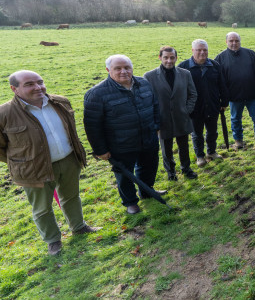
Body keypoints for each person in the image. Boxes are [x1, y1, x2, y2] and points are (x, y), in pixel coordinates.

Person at [1, 70, 99, 255]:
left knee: (71, 196)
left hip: (69, 160)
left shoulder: (60, 102)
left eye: (40, 82)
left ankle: (78, 227)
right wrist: (21, 162)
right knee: (42, 208)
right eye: (29, 84)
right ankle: (53, 241)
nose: (38, 87)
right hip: (33, 169)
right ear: (14, 89)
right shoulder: (4, 113)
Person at [84, 55, 162, 215]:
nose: (123, 71)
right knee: (125, 174)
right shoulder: (96, 94)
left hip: (148, 137)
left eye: (127, 67)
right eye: (118, 68)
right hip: (121, 144)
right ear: (108, 70)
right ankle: (130, 202)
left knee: (149, 167)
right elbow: (92, 126)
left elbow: (155, 106)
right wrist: (100, 150)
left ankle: (147, 191)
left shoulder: (144, 84)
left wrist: (157, 126)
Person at [145, 46, 198, 181]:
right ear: (160, 58)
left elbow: (193, 94)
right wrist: (155, 117)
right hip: (162, 120)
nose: (169, 61)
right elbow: (147, 100)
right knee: (166, 149)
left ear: (176, 58)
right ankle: (171, 172)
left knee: (184, 146)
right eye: (166, 58)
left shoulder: (185, 74)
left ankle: (186, 169)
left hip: (182, 117)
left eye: (172, 58)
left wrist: (187, 110)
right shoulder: (149, 76)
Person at [178, 39, 229, 166]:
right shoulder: (183, 67)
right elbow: (179, 90)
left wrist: (224, 101)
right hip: (194, 108)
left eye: (205, 50)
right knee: (197, 134)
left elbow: (222, 84)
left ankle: (211, 152)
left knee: (212, 131)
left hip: (212, 104)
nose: (202, 52)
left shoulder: (214, 65)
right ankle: (200, 156)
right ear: (192, 50)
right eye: (199, 50)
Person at [215, 32, 255, 150]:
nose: (234, 43)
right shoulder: (220, 58)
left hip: (252, 95)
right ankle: (238, 140)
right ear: (226, 42)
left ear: (240, 41)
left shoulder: (251, 54)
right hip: (234, 97)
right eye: (231, 41)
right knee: (235, 119)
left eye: (236, 41)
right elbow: (218, 80)